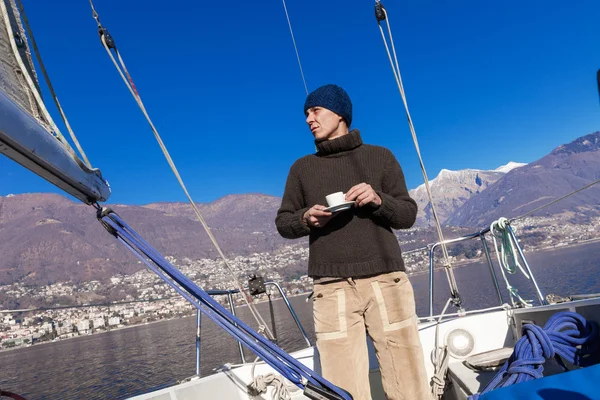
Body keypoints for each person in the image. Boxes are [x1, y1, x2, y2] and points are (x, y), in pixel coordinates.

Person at [275, 84, 431, 400]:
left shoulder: (380, 157)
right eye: (305, 113)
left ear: (340, 113)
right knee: (342, 388)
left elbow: (407, 215)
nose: (308, 119)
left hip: (386, 281)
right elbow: (283, 222)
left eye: (315, 110)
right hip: (331, 288)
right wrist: (307, 218)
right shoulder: (302, 168)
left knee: (409, 382)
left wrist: (378, 200)